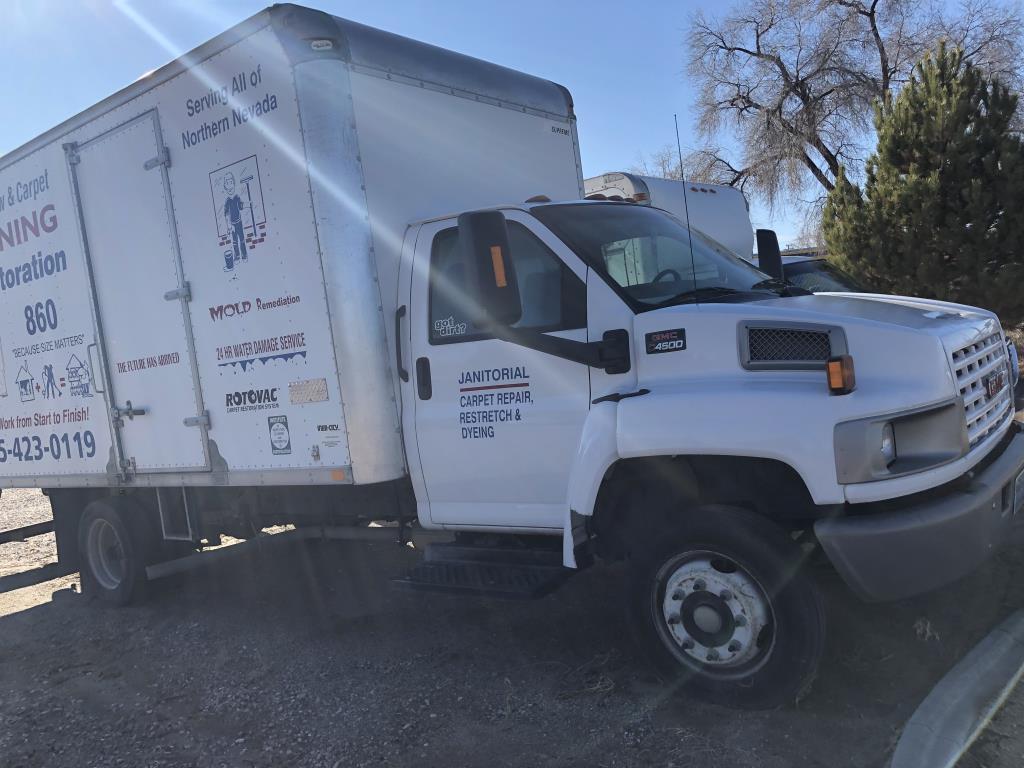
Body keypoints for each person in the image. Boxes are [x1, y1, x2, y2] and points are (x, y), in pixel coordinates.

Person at [222, 172, 247, 269]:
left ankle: (244, 255)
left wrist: (247, 204)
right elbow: (226, 214)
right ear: (225, 186)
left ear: (234, 183)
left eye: (231, 182)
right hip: (232, 224)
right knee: (235, 242)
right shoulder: (227, 201)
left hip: (239, 222)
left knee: (242, 239)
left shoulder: (237, 197)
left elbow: (241, 206)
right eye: (227, 183)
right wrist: (228, 226)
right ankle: (237, 256)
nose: (230, 185)